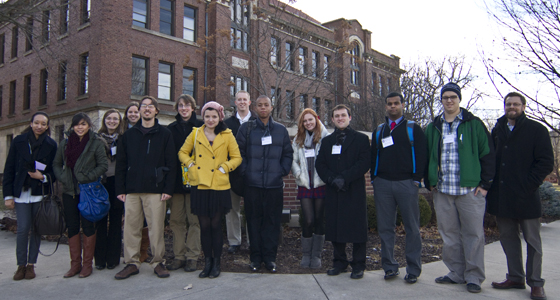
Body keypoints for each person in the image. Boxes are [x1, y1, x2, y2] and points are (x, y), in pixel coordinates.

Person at [425, 82, 495, 293]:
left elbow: (488, 154)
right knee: (449, 234)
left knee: (473, 234)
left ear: (459, 99)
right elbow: (426, 155)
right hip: (443, 190)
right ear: (442, 100)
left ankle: (474, 276)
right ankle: (456, 273)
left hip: (470, 190)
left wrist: (485, 185)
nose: (449, 101)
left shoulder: (474, 124)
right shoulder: (433, 126)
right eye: (445, 97)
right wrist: (429, 181)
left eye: (453, 97)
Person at [487, 92, 553, 300]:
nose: (512, 107)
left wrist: (528, 184)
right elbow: (490, 159)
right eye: (508, 104)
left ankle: (535, 283)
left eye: (516, 104)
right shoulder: (497, 129)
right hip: (502, 195)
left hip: (526, 195)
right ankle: (515, 277)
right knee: (508, 239)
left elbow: (545, 162)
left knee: (533, 242)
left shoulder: (537, 130)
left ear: (523, 107)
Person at [114, 96, 177, 280]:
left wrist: (168, 188)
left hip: (156, 190)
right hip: (132, 190)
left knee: (156, 228)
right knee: (131, 228)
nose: (147, 109)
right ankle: (132, 263)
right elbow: (121, 164)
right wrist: (120, 189)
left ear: (157, 111)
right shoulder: (128, 136)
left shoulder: (165, 134)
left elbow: (171, 163)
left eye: (151, 107)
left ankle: (158, 262)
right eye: (143, 106)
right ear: (139, 110)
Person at [179, 101, 242, 279]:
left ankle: (217, 263)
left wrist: (225, 167)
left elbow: (237, 157)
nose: (210, 119)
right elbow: (182, 152)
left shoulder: (227, 134)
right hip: (200, 184)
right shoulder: (195, 132)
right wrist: (191, 164)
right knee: (204, 226)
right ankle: (207, 262)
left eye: (214, 116)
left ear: (219, 117)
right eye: (207, 116)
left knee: (215, 225)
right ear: (203, 117)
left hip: (219, 185)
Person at [370, 92, 427, 284]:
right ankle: (389, 267)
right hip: (383, 185)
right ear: (385, 106)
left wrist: (417, 179)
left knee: (412, 227)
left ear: (402, 105)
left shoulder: (413, 129)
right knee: (385, 228)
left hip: (407, 184)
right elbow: (373, 156)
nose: (393, 106)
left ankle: (413, 269)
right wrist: (374, 178)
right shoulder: (379, 130)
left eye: (396, 103)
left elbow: (422, 154)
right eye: (389, 104)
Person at [237, 95, 293, 273]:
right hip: (252, 186)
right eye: (260, 105)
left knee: (272, 223)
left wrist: (281, 171)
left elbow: (288, 154)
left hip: (273, 186)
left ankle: (270, 259)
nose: (263, 108)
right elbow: (239, 154)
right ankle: (255, 258)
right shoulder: (246, 128)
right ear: (255, 107)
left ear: (271, 107)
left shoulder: (280, 130)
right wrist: (246, 173)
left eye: (266, 105)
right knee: (253, 223)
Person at [316, 104, 370, 280]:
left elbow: (363, 163)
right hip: (334, 191)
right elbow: (320, 164)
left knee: (357, 227)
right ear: (332, 119)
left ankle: (358, 264)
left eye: (343, 115)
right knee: (336, 227)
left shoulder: (361, 139)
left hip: (353, 190)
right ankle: (339, 262)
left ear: (350, 117)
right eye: (336, 116)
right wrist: (332, 179)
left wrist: (344, 178)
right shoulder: (327, 141)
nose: (340, 118)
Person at [3, 112, 57, 280]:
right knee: (22, 229)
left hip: (39, 194)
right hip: (20, 193)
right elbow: (9, 168)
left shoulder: (51, 144)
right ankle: (20, 265)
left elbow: (54, 171)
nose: (39, 126)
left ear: (47, 126)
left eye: (43, 124)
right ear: (31, 123)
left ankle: (31, 265)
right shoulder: (19, 141)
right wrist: (8, 195)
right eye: (36, 123)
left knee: (36, 230)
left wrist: (43, 177)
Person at [53, 112, 108, 278]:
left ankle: (87, 265)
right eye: (77, 124)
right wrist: (62, 177)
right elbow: (56, 164)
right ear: (73, 126)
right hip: (69, 191)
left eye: (83, 124)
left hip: (88, 191)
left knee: (89, 226)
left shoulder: (96, 143)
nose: (80, 127)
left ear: (89, 126)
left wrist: (87, 177)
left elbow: (103, 165)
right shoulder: (64, 144)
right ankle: (75, 264)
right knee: (72, 226)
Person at [166, 94, 203, 272]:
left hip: (196, 182)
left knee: (194, 221)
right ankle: (179, 256)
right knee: (176, 221)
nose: (183, 108)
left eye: (187, 105)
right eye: (180, 105)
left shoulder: (201, 127)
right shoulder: (170, 129)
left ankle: (192, 257)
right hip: (176, 183)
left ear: (193, 108)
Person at [291, 108, 329, 268]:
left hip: (320, 183)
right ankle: (306, 254)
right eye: (305, 121)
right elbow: (293, 160)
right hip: (305, 184)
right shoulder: (298, 139)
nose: (308, 123)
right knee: (308, 220)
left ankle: (316, 255)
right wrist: (298, 173)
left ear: (316, 119)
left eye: (310, 120)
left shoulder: (325, 137)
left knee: (320, 220)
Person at [224, 90, 255, 254]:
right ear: (235, 102)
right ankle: (234, 242)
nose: (242, 102)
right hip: (232, 173)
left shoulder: (257, 122)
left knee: (251, 209)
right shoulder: (227, 123)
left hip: (252, 173)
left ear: (249, 102)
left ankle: (252, 241)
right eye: (239, 99)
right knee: (232, 209)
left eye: (245, 99)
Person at [94, 109, 125, 271]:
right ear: (104, 120)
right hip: (100, 183)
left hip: (117, 184)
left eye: (115, 119)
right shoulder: (95, 139)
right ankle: (99, 259)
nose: (112, 121)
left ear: (119, 122)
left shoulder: (123, 139)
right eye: (109, 118)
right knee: (99, 221)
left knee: (115, 221)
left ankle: (113, 258)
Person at [123, 101, 150, 262]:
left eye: (135, 112)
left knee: (145, 219)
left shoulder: (146, 130)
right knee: (129, 220)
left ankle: (143, 251)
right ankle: (130, 254)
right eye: (130, 112)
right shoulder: (124, 133)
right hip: (127, 182)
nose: (133, 114)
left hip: (144, 181)